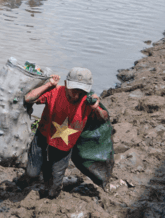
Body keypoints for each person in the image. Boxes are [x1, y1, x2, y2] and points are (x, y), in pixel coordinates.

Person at [17, 68, 108, 199]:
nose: (76, 95)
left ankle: (52, 184)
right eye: (74, 90)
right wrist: (48, 84)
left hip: (63, 148)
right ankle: (28, 177)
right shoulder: (55, 91)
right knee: (32, 173)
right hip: (42, 138)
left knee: (54, 188)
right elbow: (28, 98)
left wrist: (96, 109)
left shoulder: (88, 101)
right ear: (66, 84)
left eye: (81, 91)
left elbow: (104, 118)